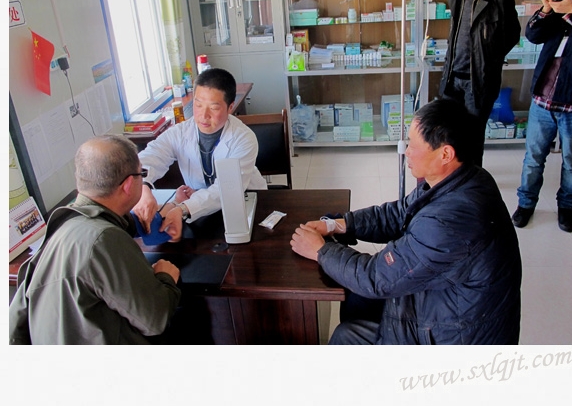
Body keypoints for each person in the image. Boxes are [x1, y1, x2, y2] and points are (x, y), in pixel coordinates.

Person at [290, 99, 522, 345]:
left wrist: (320, 251)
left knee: (346, 336)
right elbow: (399, 213)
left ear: (445, 154)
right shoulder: (461, 178)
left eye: (413, 144)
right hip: (447, 306)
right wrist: (338, 224)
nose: (406, 151)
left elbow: (376, 277)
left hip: (453, 338)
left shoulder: (450, 222)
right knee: (356, 298)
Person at [9, 135, 182, 345]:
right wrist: (166, 277)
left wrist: (140, 219)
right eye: (141, 174)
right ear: (128, 184)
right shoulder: (104, 239)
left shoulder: (61, 222)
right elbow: (155, 320)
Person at [133, 68, 267, 235]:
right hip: (198, 212)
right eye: (198, 105)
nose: (204, 115)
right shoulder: (180, 133)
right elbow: (151, 156)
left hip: (245, 204)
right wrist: (143, 186)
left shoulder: (243, 138)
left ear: (230, 107)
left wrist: (181, 208)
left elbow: (226, 189)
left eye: (214, 107)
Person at [439, 0, 521, 166]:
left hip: (479, 82)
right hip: (452, 77)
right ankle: (454, 179)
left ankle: (472, 181)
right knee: (448, 135)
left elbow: (511, 36)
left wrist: (488, 60)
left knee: (473, 139)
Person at [512, 0, 572, 232]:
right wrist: (548, 9)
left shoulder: (571, 9)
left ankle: (567, 207)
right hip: (542, 99)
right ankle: (525, 204)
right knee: (533, 158)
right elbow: (533, 35)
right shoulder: (563, 7)